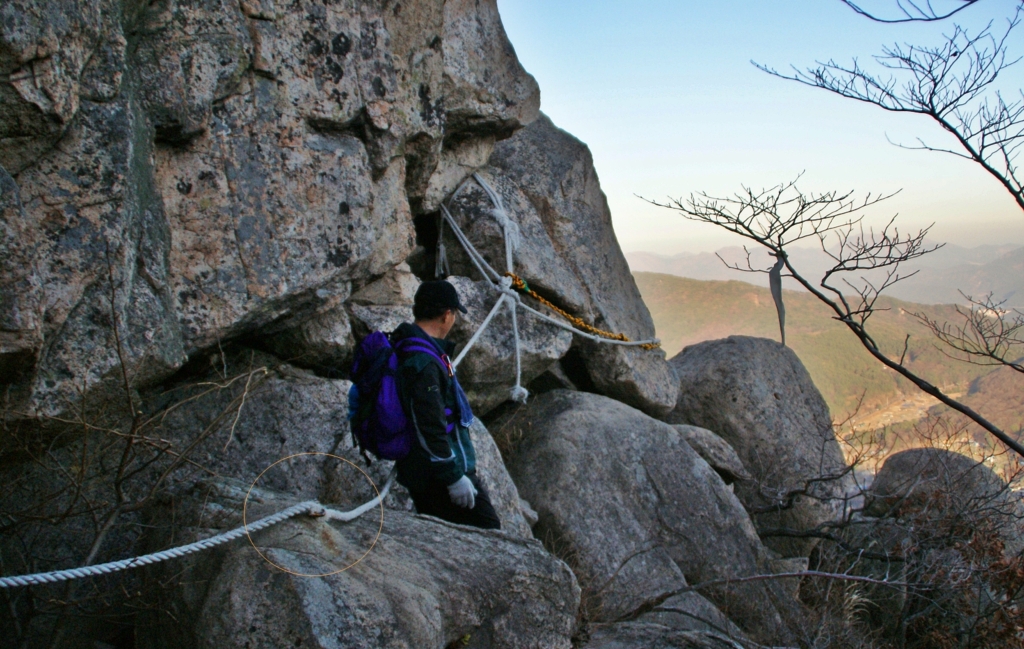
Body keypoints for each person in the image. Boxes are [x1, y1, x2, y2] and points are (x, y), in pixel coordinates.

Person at [390, 280, 501, 530]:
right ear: (446, 315)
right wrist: (453, 478)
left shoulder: (411, 346)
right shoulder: (424, 362)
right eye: (454, 314)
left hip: (425, 472)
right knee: (491, 534)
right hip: (439, 475)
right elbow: (429, 423)